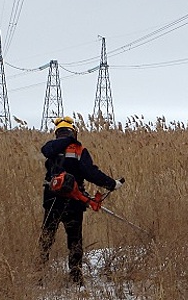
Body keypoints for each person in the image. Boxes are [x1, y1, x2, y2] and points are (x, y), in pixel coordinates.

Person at [38, 116, 124, 287]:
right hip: (73, 202)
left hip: (51, 200)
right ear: (73, 132)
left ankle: (39, 275)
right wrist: (111, 184)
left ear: (57, 133)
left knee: (46, 238)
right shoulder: (78, 149)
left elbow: (45, 151)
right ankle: (76, 278)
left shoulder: (51, 148)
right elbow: (90, 173)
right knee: (75, 240)